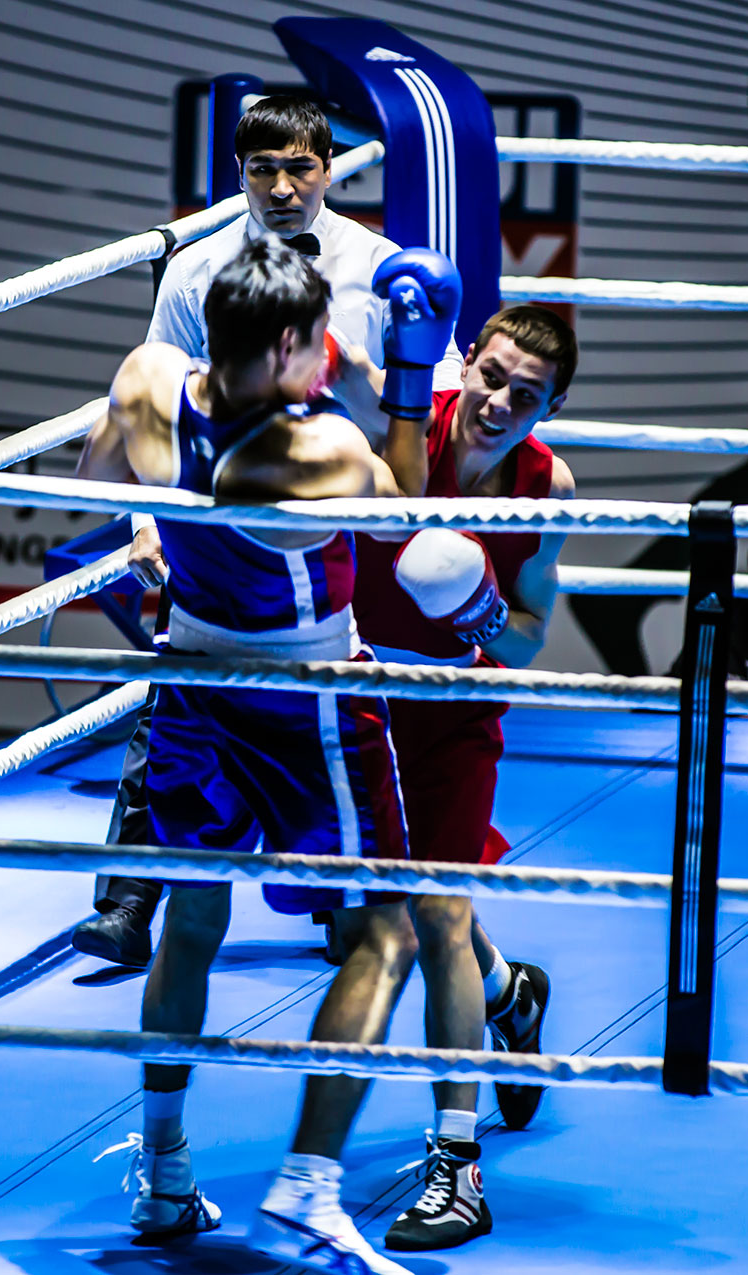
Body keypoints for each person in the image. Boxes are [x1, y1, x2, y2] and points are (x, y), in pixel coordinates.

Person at [80, 236, 462, 1275]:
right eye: (318, 346)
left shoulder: (149, 378)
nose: (331, 357)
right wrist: (414, 375)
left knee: (193, 918)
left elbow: (93, 498)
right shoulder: (316, 453)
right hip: (304, 698)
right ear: (291, 342)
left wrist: (159, 546)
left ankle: (163, 1176)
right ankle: (305, 1193)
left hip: (191, 674)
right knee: (382, 931)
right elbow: (418, 534)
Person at [72, 93, 462, 967]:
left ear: (331, 167)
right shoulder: (194, 271)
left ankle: (350, 907)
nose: (282, 187)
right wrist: (148, 520)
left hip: (331, 501)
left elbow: (421, 419)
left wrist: (394, 385)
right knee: (187, 669)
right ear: (239, 172)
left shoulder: (382, 265)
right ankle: (134, 895)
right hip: (216, 494)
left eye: (301, 168)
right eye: (262, 170)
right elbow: (147, 401)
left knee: (308, 698)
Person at [342, 303, 577, 1253]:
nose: (500, 401)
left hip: (454, 716)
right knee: (389, 905)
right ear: (468, 357)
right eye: (492, 374)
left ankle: (456, 1165)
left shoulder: (546, 485)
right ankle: (511, 991)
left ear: (550, 405)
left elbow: (528, 633)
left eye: (526, 394)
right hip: (356, 696)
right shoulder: (396, 422)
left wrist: (479, 612)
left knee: (431, 914)